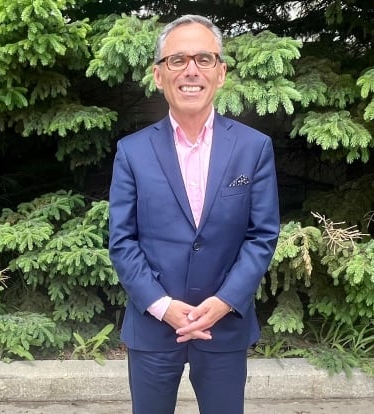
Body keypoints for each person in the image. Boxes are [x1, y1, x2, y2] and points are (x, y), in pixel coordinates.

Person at [108, 14, 280, 414]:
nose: (191, 71)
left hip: (224, 326)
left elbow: (262, 235)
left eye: (204, 59)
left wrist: (225, 301)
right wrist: (162, 305)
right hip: (153, 325)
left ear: (220, 73)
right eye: (177, 60)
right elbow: (122, 239)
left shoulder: (253, 148)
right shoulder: (132, 152)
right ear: (158, 75)